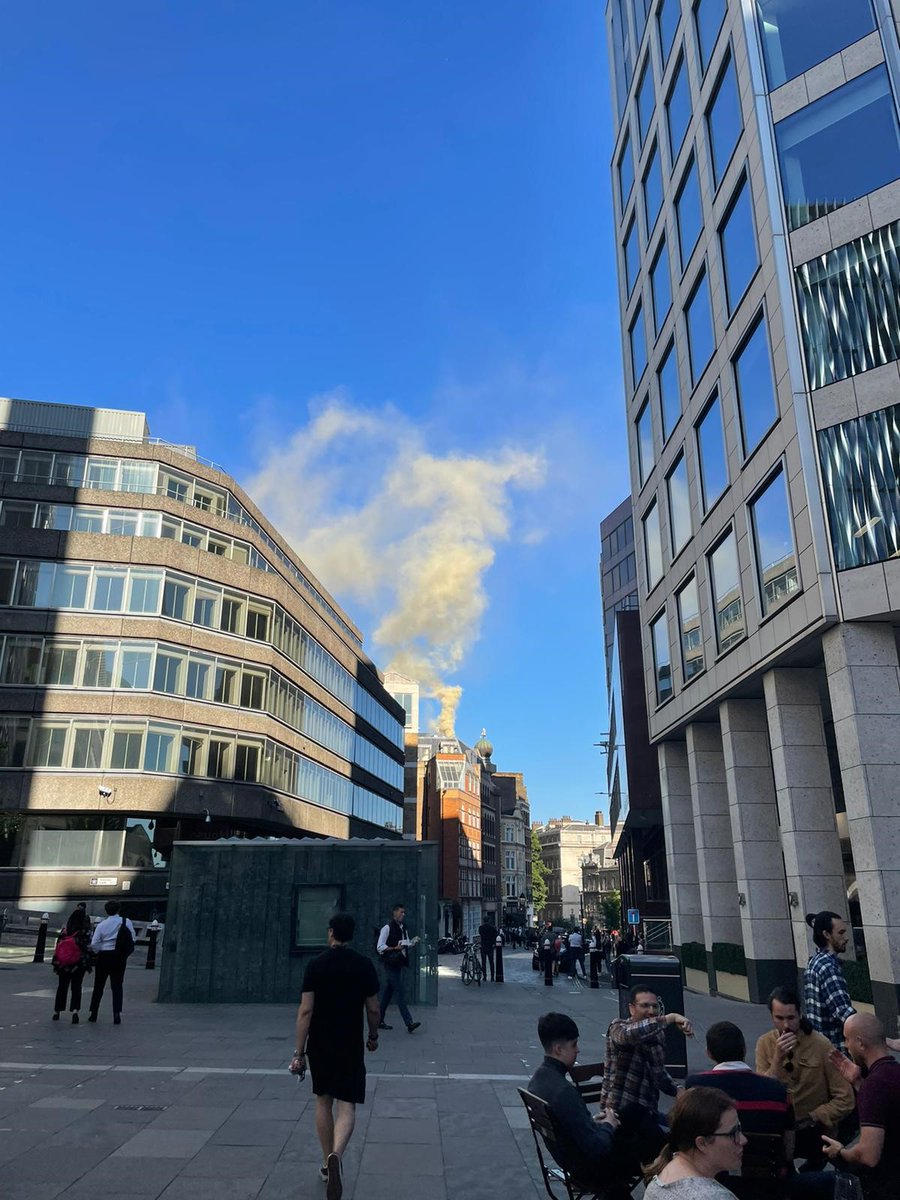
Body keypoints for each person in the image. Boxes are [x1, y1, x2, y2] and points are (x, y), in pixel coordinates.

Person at [290, 912, 380, 1200]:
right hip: (350, 1042)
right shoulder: (364, 965)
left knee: (323, 1100)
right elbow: (374, 1009)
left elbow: (305, 1011)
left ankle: (327, 1162)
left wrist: (298, 1051)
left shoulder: (315, 965)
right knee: (348, 1105)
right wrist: (373, 1036)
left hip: (321, 1043)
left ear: (331, 933)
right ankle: (338, 1155)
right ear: (351, 935)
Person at [526, 1011, 636, 1199]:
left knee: (635, 1114)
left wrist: (592, 1122)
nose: (578, 1050)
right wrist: (609, 1125)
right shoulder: (564, 1091)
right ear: (558, 1049)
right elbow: (596, 1147)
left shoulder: (537, 1081)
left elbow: (569, 1125)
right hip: (591, 1167)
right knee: (647, 1141)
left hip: (569, 1158)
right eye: (574, 1044)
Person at [686, 1020, 794, 1195]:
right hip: (767, 1187)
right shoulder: (778, 1091)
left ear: (709, 1054)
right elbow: (788, 1150)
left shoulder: (696, 1087)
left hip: (714, 1184)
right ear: (744, 1050)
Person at [754, 986, 855, 1169]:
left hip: (814, 1131)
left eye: (791, 1018)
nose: (786, 1025)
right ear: (772, 1017)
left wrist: (815, 1116)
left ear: (800, 1015)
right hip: (780, 1130)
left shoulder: (820, 1045)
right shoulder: (765, 1044)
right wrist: (777, 1059)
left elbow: (845, 1098)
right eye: (779, 1018)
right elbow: (762, 1091)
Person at [602, 985, 693, 1161]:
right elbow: (626, 1037)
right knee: (668, 1149)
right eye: (644, 1006)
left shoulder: (656, 1034)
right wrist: (670, 1018)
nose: (651, 1011)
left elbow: (658, 1073)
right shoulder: (618, 1027)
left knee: (686, 1133)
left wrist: (678, 1090)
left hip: (647, 1112)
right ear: (631, 1008)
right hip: (619, 1117)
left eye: (654, 1006)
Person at [822, 1012, 900, 1200]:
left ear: (861, 1043)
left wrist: (840, 1152)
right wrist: (858, 1084)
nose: (846, 1046)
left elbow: (868, 1156)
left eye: (847, 1039)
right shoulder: (892, 1074)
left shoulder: (875, 1085)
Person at [643, 1086, 747, 1199]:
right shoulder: (714, 1196)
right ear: (702, 1143)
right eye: (733, 1133)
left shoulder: (661, 1178)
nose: (743, 1140)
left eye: (739, 1128)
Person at [803, 911, 855, 1051]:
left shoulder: (814, 961)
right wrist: (879, 1038)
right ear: (827, 935)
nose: (846, 938)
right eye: (841, 933)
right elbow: (844, 1012)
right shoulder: (828, 968)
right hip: (836, 1050)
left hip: (819, 1049)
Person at [88, 899, 135, 1025]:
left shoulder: (102, 925)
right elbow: (132, 938)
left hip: (104, 956)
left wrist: (98, 951)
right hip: (119, 956)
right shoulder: (126, 922)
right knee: (117, 986)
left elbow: (94, 943)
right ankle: (116, 1013)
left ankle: (94, 1012)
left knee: (99, 985)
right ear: (118, 910)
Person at [376, 902, 420, 1033]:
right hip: (390, 963)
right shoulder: (387, 928)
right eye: (401, 912)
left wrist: (412, 943)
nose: (403, 914)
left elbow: (404, 943)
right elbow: (380, 947)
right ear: (394, 913)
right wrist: (394, 947)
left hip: (399, 963)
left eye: (404, 912)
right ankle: (409, 1022)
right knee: (399, 992)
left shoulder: (404, 927)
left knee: (388, 993)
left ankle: (378, 1020)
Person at [52, 903, 91, 1024]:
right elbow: (87, 946)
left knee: (62, 987)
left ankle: (57, 1011)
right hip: (78, 964)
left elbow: (58, 947)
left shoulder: (64, 932)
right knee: (76, 987)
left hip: (63, 964)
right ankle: (75, 1011)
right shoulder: (83, 932)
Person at [478, 916, 498, 981]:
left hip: (483, 946)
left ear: (483, 920)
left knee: (484, 962)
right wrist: (493, 943)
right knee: (491, 962)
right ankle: (492, 977)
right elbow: (495, 936)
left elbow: (480, 934)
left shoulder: (481, 928)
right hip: (490, 946)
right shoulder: (492, 928)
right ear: (488, 920)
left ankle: (484, 976)